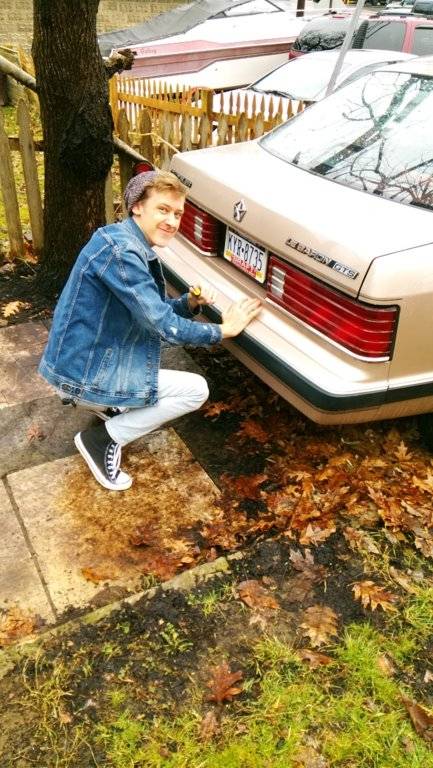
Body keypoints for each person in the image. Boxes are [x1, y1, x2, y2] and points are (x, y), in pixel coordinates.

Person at [38, 169, 261, 491]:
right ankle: (102, 439)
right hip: (81, 374)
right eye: (163, 209)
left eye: (178, 213)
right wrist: (223, 330)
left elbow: (151, 312)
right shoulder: (122, 253)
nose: (172, 221)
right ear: (137, 207)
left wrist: (189, 304)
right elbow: (163, 325)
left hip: (81, 362)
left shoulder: (122, 241)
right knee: (196, 390)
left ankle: (108, 405)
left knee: (148, 379)